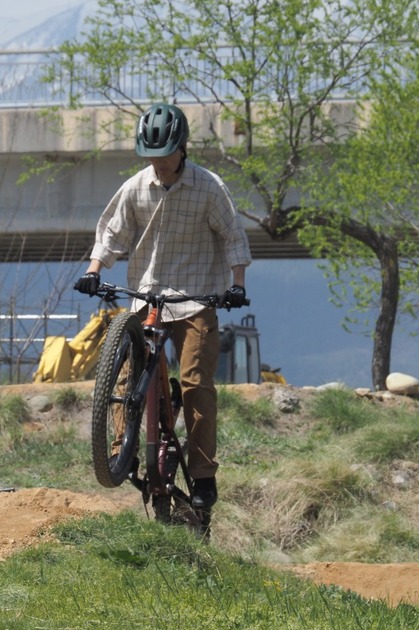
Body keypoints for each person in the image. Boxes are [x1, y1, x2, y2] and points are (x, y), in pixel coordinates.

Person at [74, 102, 251, 513]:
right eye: (151, 155)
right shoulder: (136, 187)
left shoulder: (209, 187)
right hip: (147, 295)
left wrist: (237, 285)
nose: (158, 162)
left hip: (195, 297)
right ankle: (123, 449)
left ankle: (204, 473)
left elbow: (233, 238)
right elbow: (112, 232)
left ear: (182, 147)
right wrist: (94, 270)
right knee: (125, 375)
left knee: (194, 384)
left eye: (165, 153)